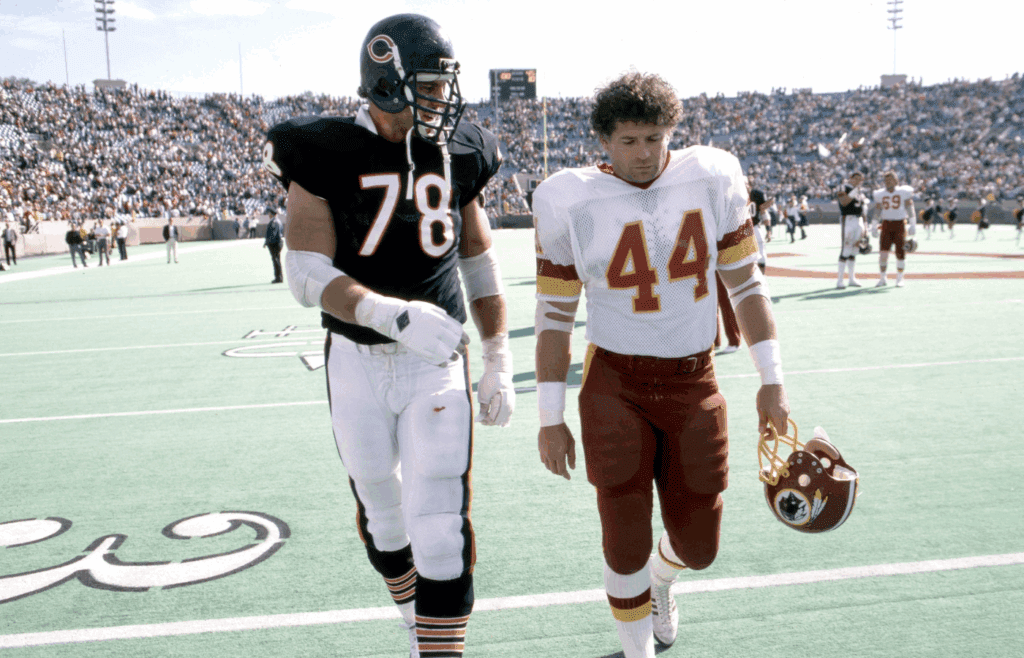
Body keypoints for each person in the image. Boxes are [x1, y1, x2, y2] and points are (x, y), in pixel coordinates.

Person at [263, 14, 513, 658]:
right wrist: (389, 314)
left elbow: (479, 260)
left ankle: (437, 648)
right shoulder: (323, 148)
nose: (441, 99)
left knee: (439, 526)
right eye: (427, 86)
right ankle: (413, 621)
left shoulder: (460, 150)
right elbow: (306, 271)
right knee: (383, 514)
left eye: (443, 85)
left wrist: (498, 355)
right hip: (356, 355)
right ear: (384, 81)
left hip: (436, 362)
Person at [532, 71, 790, 658]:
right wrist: (549, 416)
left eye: (654, 138)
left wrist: (772, 380)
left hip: (693, 379)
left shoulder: (711, 176)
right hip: (615, 382)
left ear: (671, 131)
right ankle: (637, 649)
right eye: (628, 141)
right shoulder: (569, 198)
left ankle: (662, 579)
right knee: (623, 537)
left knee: (700, 546)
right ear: (603, 141)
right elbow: (553, 317)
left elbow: (747, 286)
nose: (644, 153)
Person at [870, 171, 916, 287]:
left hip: (899, 224)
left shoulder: (903, 192)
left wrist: (913, 224)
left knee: (900, 252)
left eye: (890, 180)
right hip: (886, 224)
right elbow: (878, 209)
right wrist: (874, 225)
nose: (888, 182)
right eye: (886, 180)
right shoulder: (880, 193)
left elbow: (910, 207)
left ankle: (900, 278)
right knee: (883, 253)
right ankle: (883, 278)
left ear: (896, 181)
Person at [834, 171, 867, 288]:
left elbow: (863, 210)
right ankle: (840, 280)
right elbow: (844, 203)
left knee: (854, 250)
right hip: (848, 219)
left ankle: (852, 278)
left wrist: (865, 226)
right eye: (856, 178)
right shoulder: (844, 187)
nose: (858, 181)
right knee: (846, 250)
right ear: (850, 178)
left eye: (860, 179)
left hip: (858, 220)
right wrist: (854, 192)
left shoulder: (860, 192)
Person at [263, 211, 284, 283]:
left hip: (274, 243)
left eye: (269, 213)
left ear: (272, 214)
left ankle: (278, 278)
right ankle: (279, 277)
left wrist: (267, 242)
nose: (268, 215)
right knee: (277, 260)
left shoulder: (273, 222)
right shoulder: (278, 221)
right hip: (278, 242)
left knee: (275, 260)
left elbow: (272, 234)